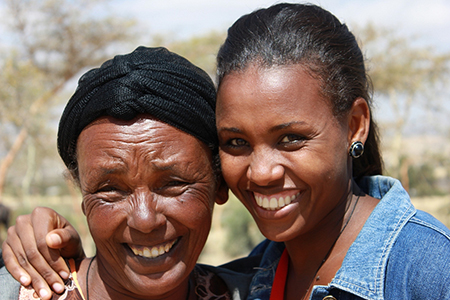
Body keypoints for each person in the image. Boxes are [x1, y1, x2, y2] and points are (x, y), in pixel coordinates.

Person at [4, 3, 450, 299]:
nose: (262, 172)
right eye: (236, 143)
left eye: (291, 138)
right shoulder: (256, 276)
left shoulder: (426, 269)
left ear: (354, 124)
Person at [0, 46, 256, 299]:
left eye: (173, 183)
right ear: (83, 195)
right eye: (110, 189)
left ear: (219, 183)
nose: (144, 220)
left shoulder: (264, 291)